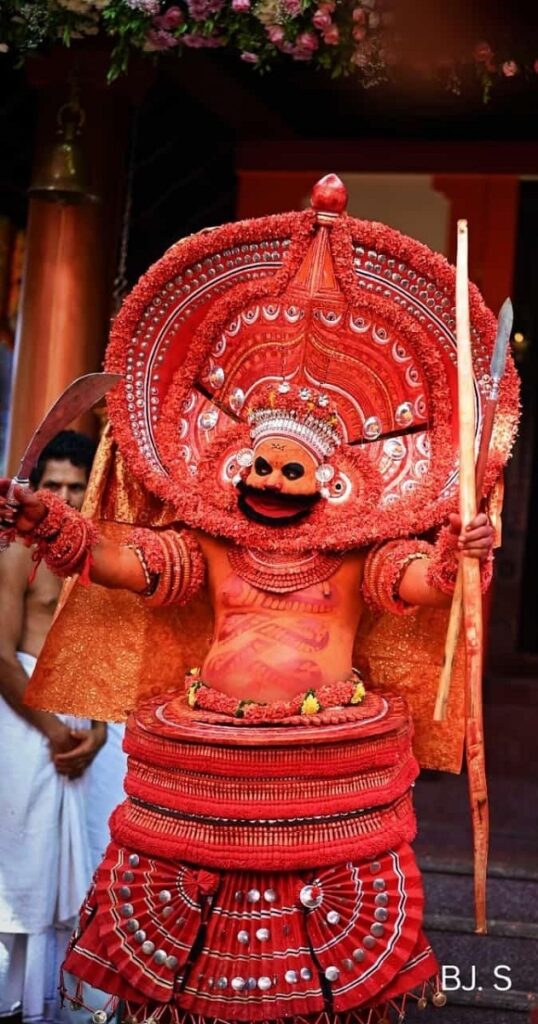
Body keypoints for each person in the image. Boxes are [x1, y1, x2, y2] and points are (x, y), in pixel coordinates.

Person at [0, 176, 519, 1022]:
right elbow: (128, 561)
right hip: (205, 764)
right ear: (232, 465)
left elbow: (416, 585)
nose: (273, 482)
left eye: (293, 469)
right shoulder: (211, 540)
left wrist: (457, 559)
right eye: (261, 464)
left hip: (323, 768)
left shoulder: (354, 552)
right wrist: (47, 520)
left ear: (334, 478)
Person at [0, 431, 123, 1023]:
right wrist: (53, 732)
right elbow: (0, 655)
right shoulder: (17, 550)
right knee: (19, 866)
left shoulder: (100, 557)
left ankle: (67, 1006)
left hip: (85, 723)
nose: (66, 498)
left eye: (77, 487)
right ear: (36, 487)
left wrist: (96, 731)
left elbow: (107, 652)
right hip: (26, 726)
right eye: (54, 485)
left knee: (88, 873)